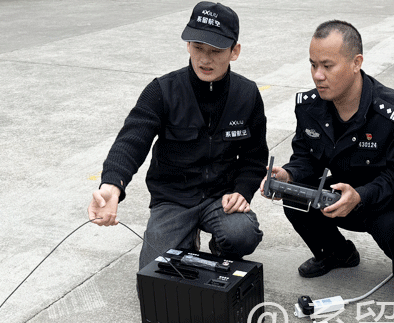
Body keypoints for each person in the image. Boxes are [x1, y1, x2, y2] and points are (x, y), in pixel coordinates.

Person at [88, 2, 267, 271]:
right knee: (155, 270)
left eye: (216, 51)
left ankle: (221, 247)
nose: (205, 59)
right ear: (188, 46)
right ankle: (185, 238)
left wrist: (242, 190)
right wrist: (112, 186)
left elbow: (255, 157)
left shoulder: (248, 94)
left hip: (221, 197)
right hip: (173, 199)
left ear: (235, 51)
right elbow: (132, 140)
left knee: (242, 234)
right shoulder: (162, 90)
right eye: (198, 47)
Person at [261, 20, 394, 279]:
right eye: (313, 65)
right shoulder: (309, 106)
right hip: (338, 197)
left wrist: (360, 196)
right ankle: (337, 253)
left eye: (327, 66)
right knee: (295, 195)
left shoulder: (393, 113)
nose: (317, 75)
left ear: (356, 63)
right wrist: (288, 175)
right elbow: (306, 158)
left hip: (385, 203)